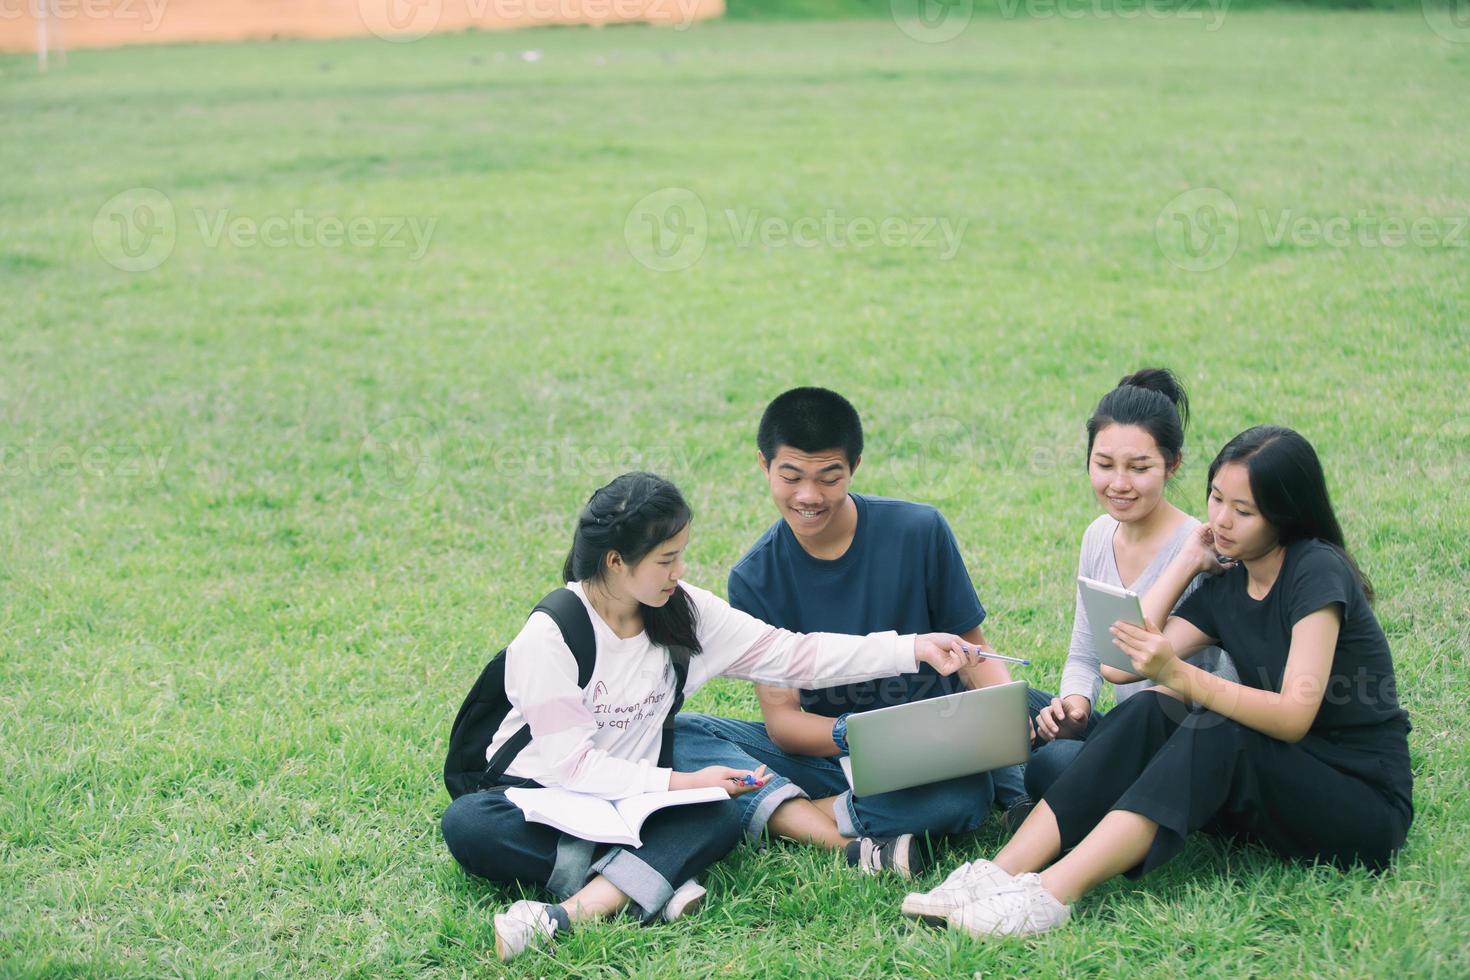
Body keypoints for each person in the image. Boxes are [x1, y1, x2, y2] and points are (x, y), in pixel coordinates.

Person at [439, 472, 982, 961]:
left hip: (638, 802)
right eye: (666, 560)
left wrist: (912, 647)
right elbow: (570, 769)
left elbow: (798, 654)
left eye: (681, 554)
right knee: (467, 826)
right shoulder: (552, 635)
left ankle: (570, 912)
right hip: (540, 798)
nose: (681, 571)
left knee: (720, 811)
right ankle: (646, 883)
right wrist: (682, 781)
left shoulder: (685, 612)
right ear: (615, 562)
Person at [904, 425, 1413, 938]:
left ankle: (1050, 894)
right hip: (1272, 793)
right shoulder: (1228, 582)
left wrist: (1177, 672)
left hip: (1358, 803)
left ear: (1286, 513)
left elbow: (1292, 716)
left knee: (1212, 721)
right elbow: (1123, 665)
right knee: (1153, 707)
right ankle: (1000, 872)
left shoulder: (1315, 571)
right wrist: (1188, 560)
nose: (1220, 519)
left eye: (1244, 510)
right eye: (1216, 498)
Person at [673, 387, 1047, 880]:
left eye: (829, 478)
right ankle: (838, 813)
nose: (809, 497)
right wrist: (858, 737)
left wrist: (1003, 714)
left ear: (855, 467)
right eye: (791, 476)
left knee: (994, 764)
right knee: (680, 735)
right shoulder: (756, 577)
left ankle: (790, 812)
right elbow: (784, 723)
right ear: (764, 465)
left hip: (942, 742)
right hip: (836, 751)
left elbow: (975, 651)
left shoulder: (919, 531)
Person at [1027, 369, 1236, 800]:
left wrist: (1188, 564)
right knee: (1018, 710)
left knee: (1054, 765)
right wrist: (1076, 707)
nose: (1118, 484)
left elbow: (1133, 667)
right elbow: (1086, 653)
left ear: (1172, 464)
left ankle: (1051, 799)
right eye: (1104, 465)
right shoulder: (1098, 536)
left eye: (1139, 468)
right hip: (1122, 730)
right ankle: (1030, 794)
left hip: (1178, 740)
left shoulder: (1203, 549)